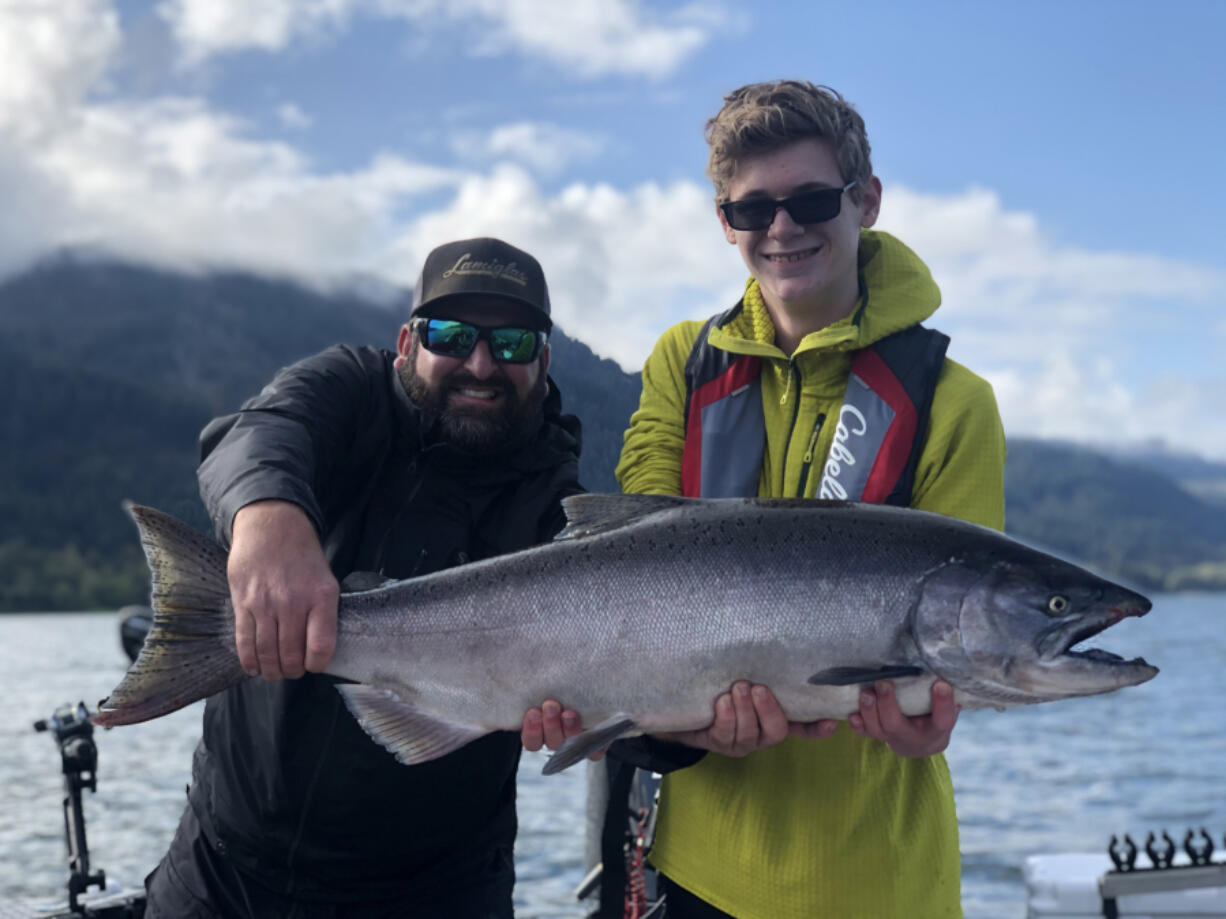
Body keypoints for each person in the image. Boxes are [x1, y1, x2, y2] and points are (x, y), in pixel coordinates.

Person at [605, 80, 1007, 918]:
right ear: (725, 222)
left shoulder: (956, 403)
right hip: (698, 870)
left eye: (812, 200)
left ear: (866, 201)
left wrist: (934, 719)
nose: (783, 228)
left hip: (883, 883)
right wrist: (666, 721)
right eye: (753, 211)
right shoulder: (683, 361)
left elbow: (968, 645)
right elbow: (621, 571)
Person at [143, 237, 583, 919]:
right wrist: (266, 515)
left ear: (544, 360)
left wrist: (676, 739)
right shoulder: (349, 389)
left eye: (514, 343)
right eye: (452, 335)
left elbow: (635, 684)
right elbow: (261, 431)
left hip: (440, 890)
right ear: (408, 342)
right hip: (226, 867)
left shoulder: (562, 509)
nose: (480, 362)